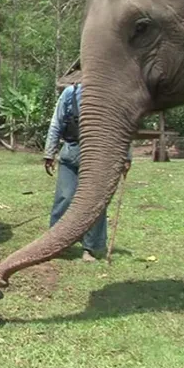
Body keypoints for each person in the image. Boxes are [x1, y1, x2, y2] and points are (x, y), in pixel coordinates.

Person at [43, 81, 131, 261]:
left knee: (95, 202)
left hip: (100, 158)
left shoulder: (113, 93)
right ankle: (55, 243)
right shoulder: (70, 93)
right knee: (65, 197)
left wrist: (126, 157)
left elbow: (124, 126)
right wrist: (49, 152)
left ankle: (90, 248)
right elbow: (56, 123)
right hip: (70, 154)